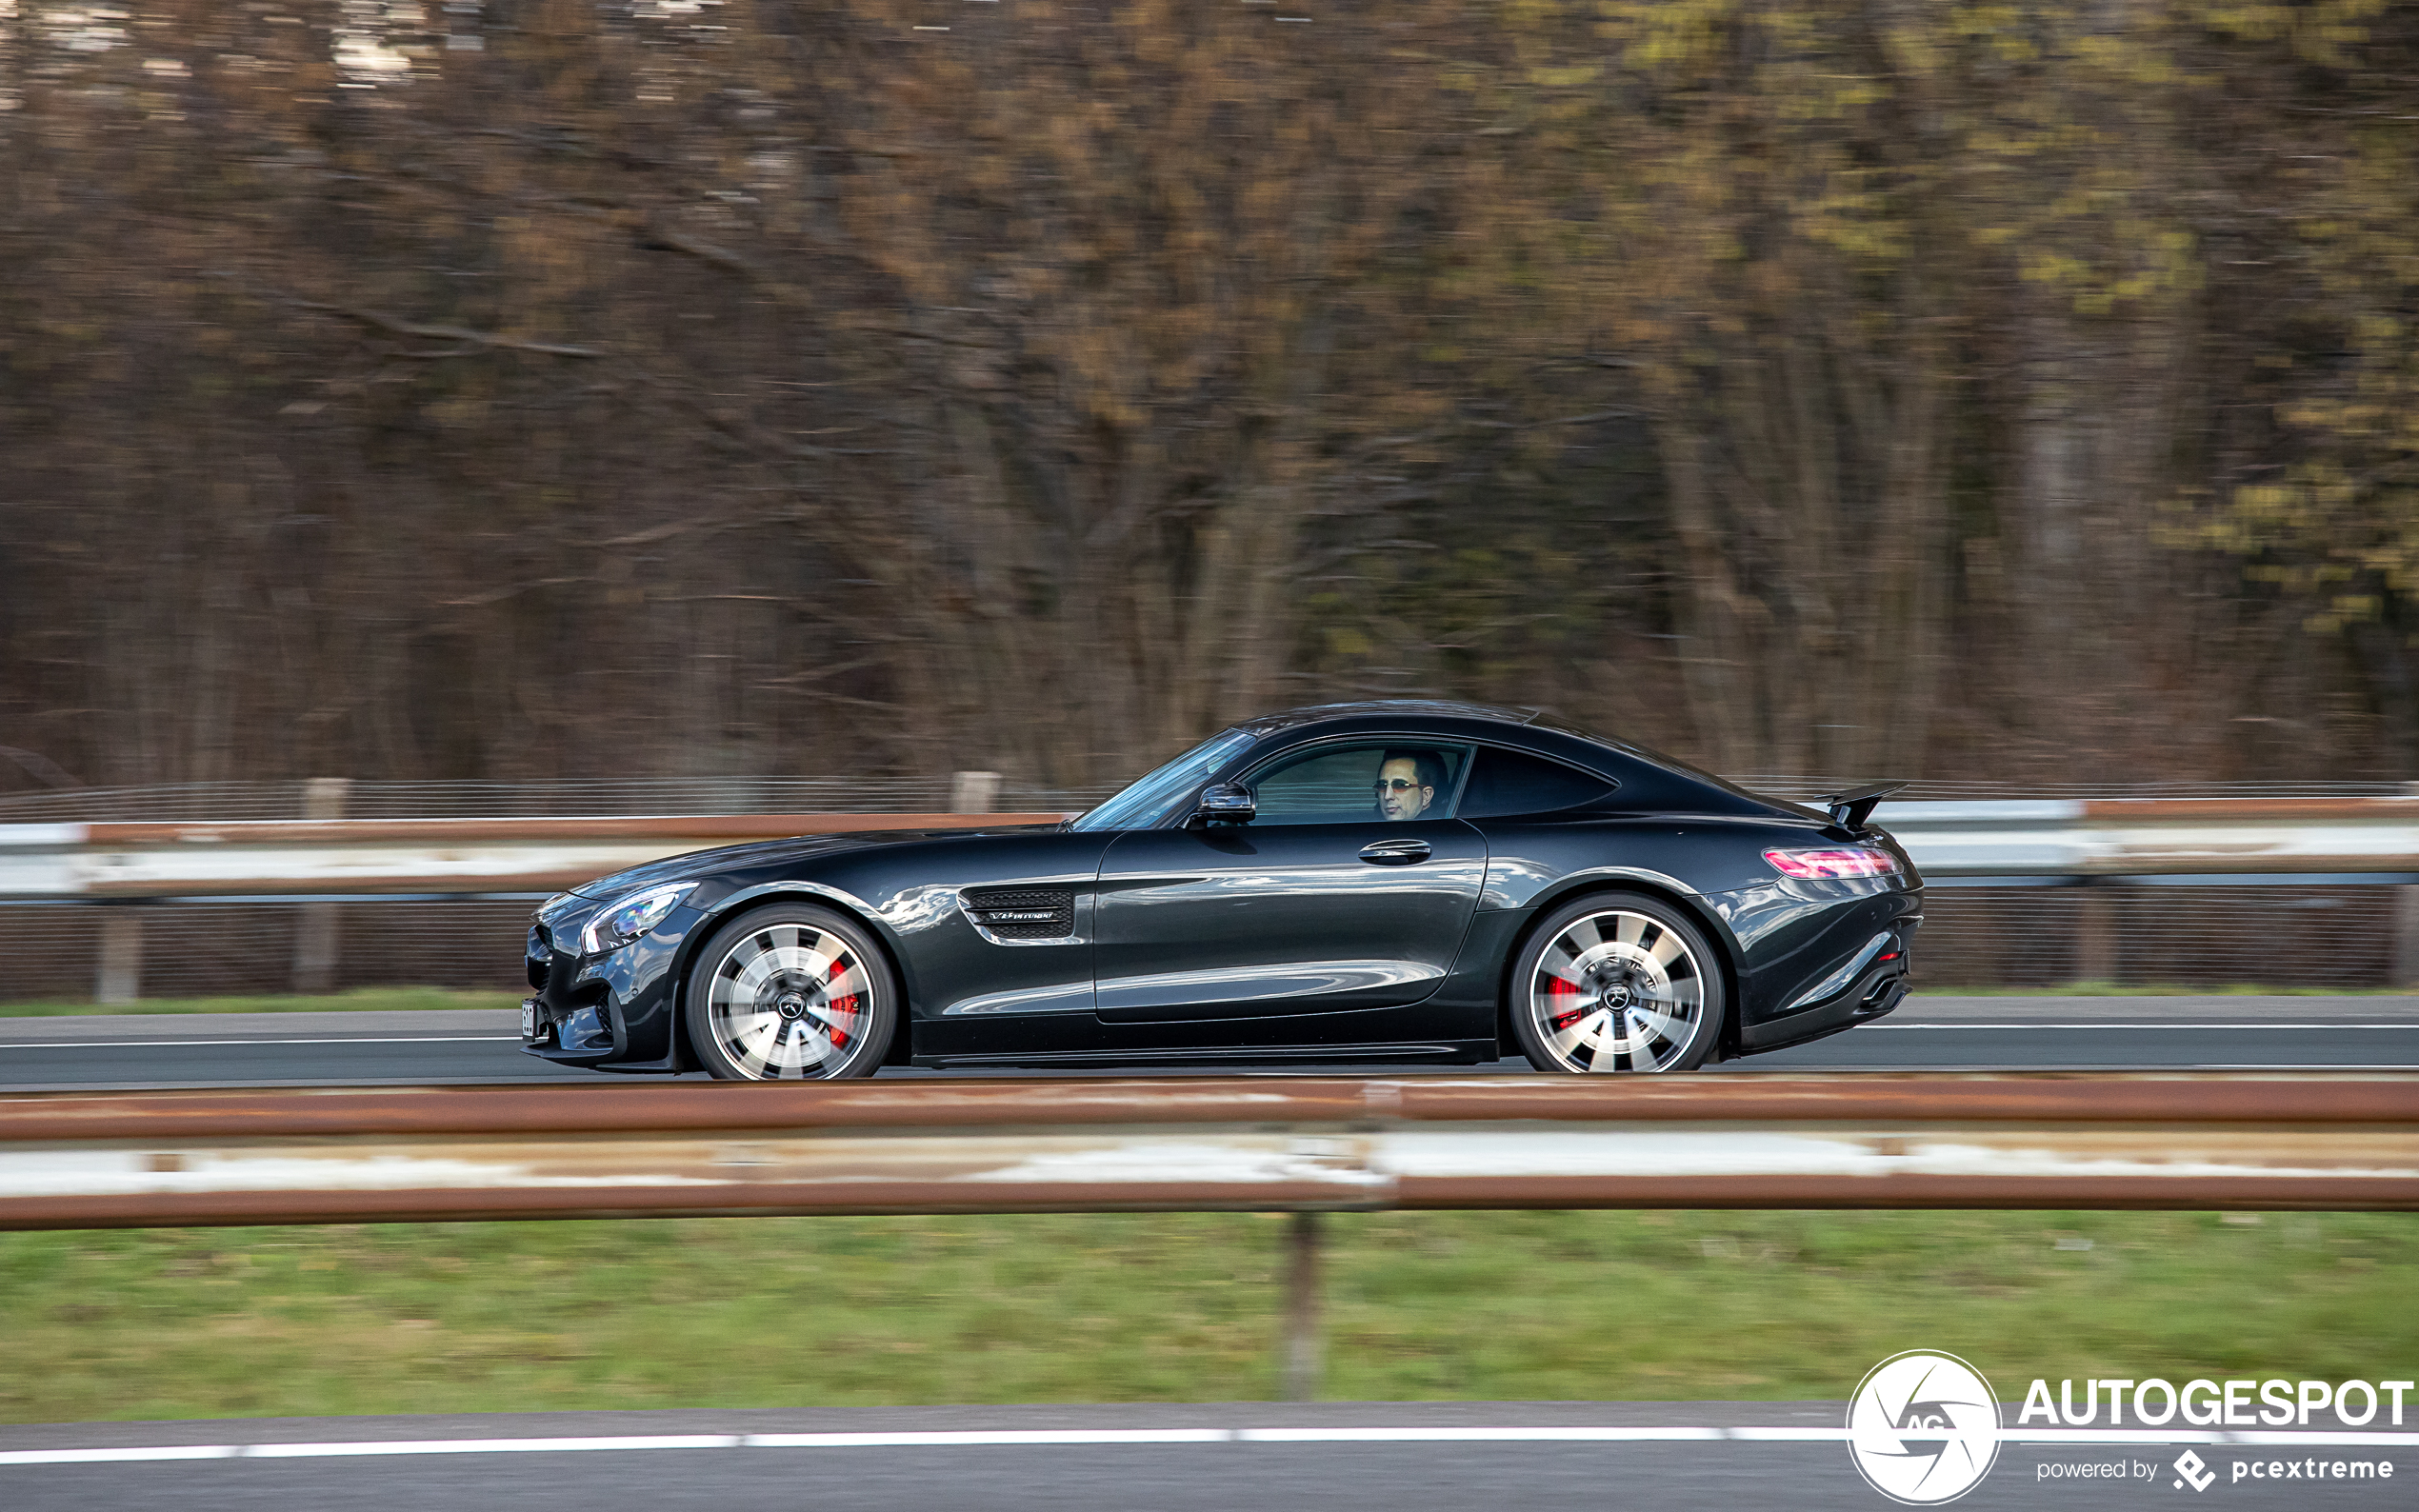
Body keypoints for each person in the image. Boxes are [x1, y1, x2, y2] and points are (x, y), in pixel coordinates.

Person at [1374, 749, 1448, 822]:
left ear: (1426, 796)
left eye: (1400, 785)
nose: (1387, 796)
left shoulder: (1435, 831)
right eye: (1382, 786)